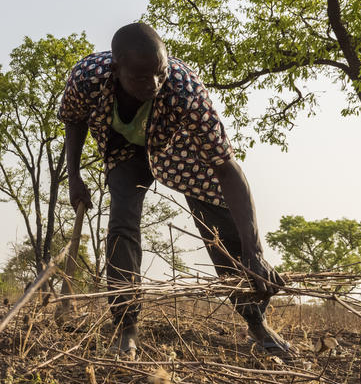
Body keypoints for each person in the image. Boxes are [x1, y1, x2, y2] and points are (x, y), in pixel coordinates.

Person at [60, 22, 291, 357]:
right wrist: (74, 176)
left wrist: (255, 252)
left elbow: (227, 169)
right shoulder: (88, 78)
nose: (153, 84)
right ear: (116, 69)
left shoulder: (185, 90)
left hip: (181, 150)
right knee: (122, 226)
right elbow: (73, 118)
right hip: (124, 151)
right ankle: (126, 327)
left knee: (223, 231)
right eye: (140, 78)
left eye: (159, 73)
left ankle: (257, 324)